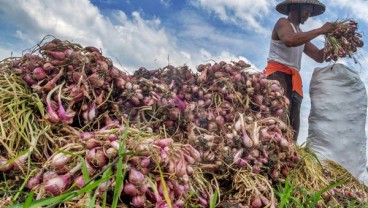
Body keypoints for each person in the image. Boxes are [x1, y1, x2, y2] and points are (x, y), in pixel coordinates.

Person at [264, 0, 335, 141]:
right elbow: (290, 40)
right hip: (277, 76)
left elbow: (318, 56)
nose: (307, 16)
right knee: (278, 119)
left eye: (309, 13)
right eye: (306, 11)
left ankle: (289, 154)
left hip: (294, 79)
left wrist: (335, 45)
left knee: (293, 123)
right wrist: (320, 30)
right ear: (294, 8)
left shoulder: (300, 33)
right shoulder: (283, 23)